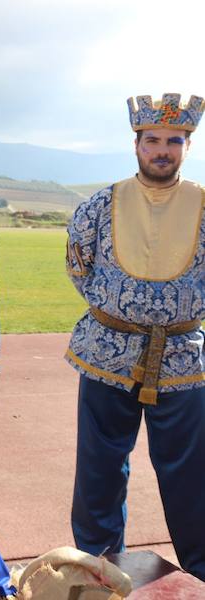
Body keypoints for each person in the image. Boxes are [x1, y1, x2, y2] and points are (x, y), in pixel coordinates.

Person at [65, 92, 205, 580]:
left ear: (187, 145)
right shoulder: (100, 205)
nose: (162, 150)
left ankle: (200, 573)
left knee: (191, 474)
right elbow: (79, 266)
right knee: (100, 470)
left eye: (174, 140)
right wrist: (124, 311)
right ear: (136, 143)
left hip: (185, 361)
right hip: (107, 353)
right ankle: (101, 570)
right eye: (152, 140)